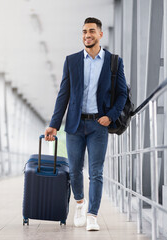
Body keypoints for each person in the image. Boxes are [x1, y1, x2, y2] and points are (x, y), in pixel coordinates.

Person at [44, 17, 127, 231]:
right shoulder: (71, 61)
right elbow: (64, 95)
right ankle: (80, 204)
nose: (86, 35)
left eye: (91, 31)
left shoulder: (113, 62)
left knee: (96, 172)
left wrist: (110, 115)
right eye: (83, 32)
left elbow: (122, 94)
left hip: (98, 125)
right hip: (74, 125)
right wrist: (54, 124)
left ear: (100, 34)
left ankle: (92, 215)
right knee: (75, 170)